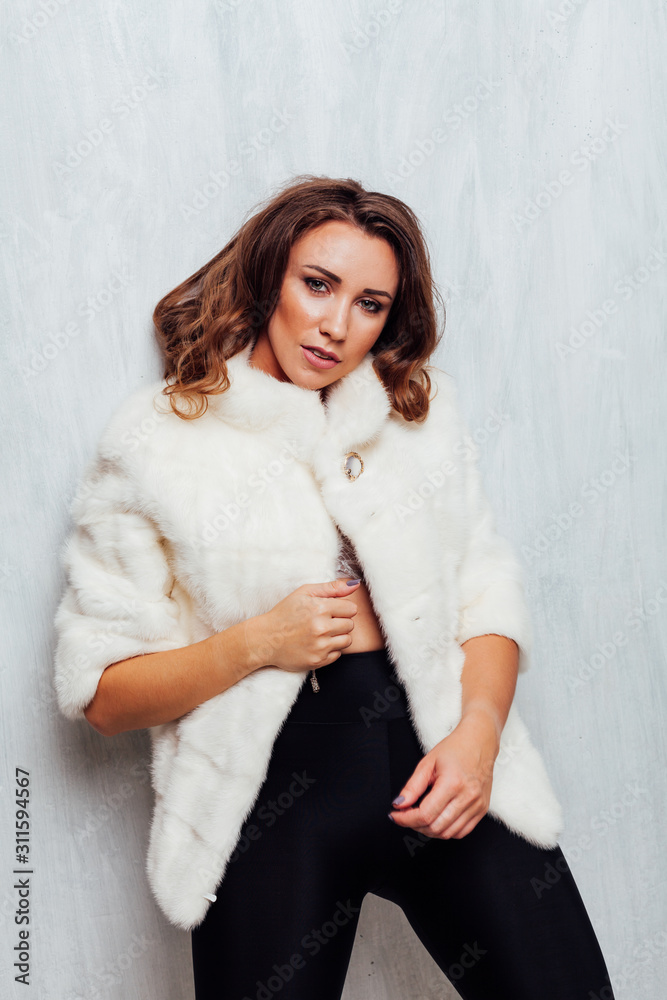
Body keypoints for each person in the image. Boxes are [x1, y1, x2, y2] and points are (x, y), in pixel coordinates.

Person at [53, 175, 616, 1000]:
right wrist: (259, 643)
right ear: (267, 275)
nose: (335, 325)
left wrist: (477, 736)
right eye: (317, 284)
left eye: (370, 304)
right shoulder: (156, 442)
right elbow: (103, 694)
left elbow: (486, 597)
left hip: (445, 770)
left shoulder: (416, 416)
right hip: (270, 807)